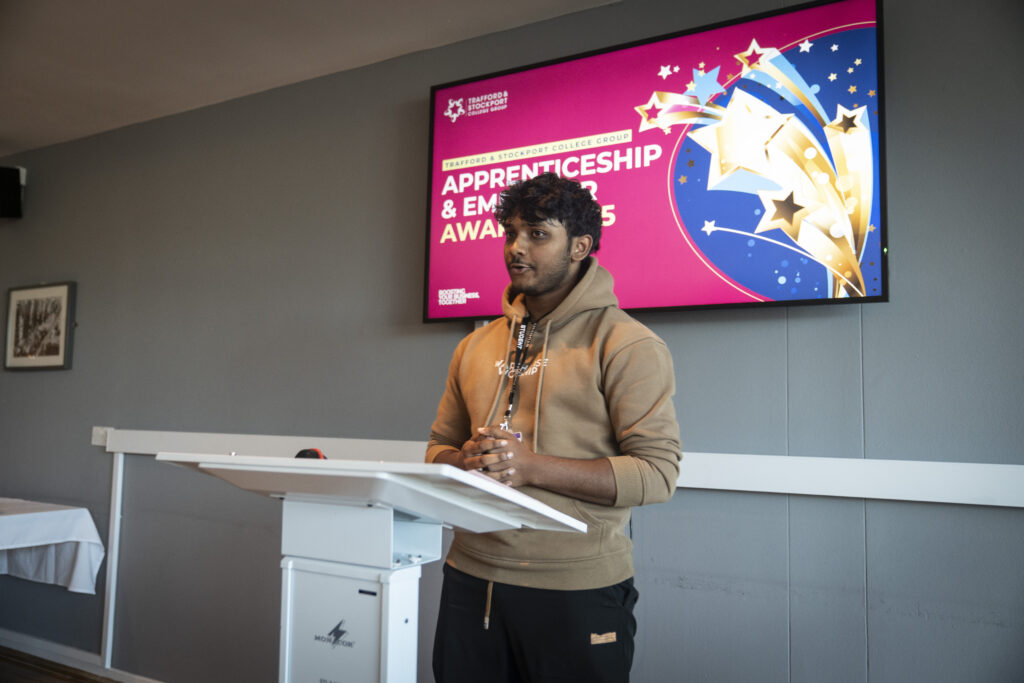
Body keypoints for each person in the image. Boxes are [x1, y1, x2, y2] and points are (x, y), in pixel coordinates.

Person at [426, 172, 681, 683]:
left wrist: (530, 468)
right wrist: (466, 461)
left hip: (577, 590)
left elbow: (656, 475)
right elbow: (437, 449)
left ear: (580, 246)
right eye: (511, 233)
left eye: (538, 234)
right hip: (469, 578)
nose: (516, 248)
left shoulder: (627, 343)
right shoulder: (474, 346)